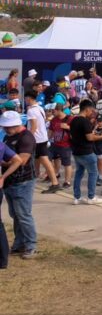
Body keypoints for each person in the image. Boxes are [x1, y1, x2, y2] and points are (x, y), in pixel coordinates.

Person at [1, 110, 38, 259]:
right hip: (11, 182)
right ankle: (19, 243)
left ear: (16, 125)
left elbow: (21, 160)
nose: (4, 129)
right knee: (15, 214)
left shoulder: (26, 138)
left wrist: (4, 164)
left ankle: (31, 245)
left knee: (23, 215)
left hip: (23, 181)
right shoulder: (9, 136)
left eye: (7, 127)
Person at [69, 99, 102, 205]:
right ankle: (91, 196)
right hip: (87, 152)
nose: (92, 113)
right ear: (87, 109)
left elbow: (74, 135)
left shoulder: (74, 120)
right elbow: (89, 137)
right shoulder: (84, 121)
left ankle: (77, 197)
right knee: (93, 173)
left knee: (79, 173)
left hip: (76, 152)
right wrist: (101, 137)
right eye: (91, 111)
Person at [25, 91, 60, 193]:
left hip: (37, 139)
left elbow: (34, 126)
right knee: (38, 160)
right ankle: (35, 177)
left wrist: (27, 138)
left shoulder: (31, 111)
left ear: (29, 98)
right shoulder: (40, 108)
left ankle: (54, 183)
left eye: (26, 98)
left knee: (45, 161)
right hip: (42, 138)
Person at [47, 105, 73, 190]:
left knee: (67, 163)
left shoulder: (70, 119)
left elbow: (76, 129)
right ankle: (55, 175)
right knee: (47, 159)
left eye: (53, 111)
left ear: (59, 110)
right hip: (55, 144)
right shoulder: (53, 120)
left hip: (66, 145)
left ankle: (67, 182)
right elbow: (50, 131)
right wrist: (46, 140)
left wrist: (68, 127)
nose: (51, 113)